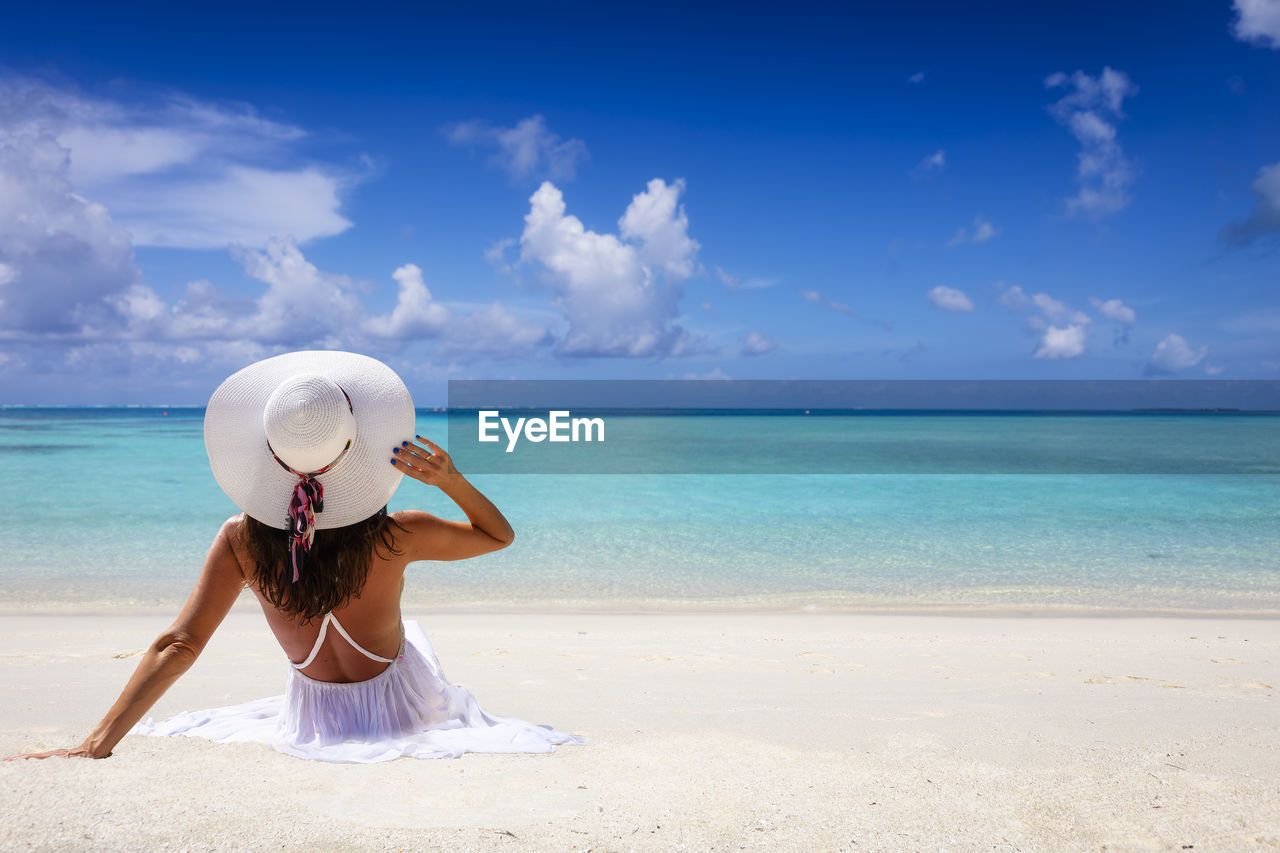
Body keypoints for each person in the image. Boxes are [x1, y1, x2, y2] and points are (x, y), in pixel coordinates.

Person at [5, 350, 583, 763]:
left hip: (313, 717)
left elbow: (179, 645)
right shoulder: (398, 535)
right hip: (400, 710)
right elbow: (497, 536)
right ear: (355, 451)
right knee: (414, 639)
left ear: (270, 454)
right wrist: (450, 479)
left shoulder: (241, 540)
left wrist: (98, 741)